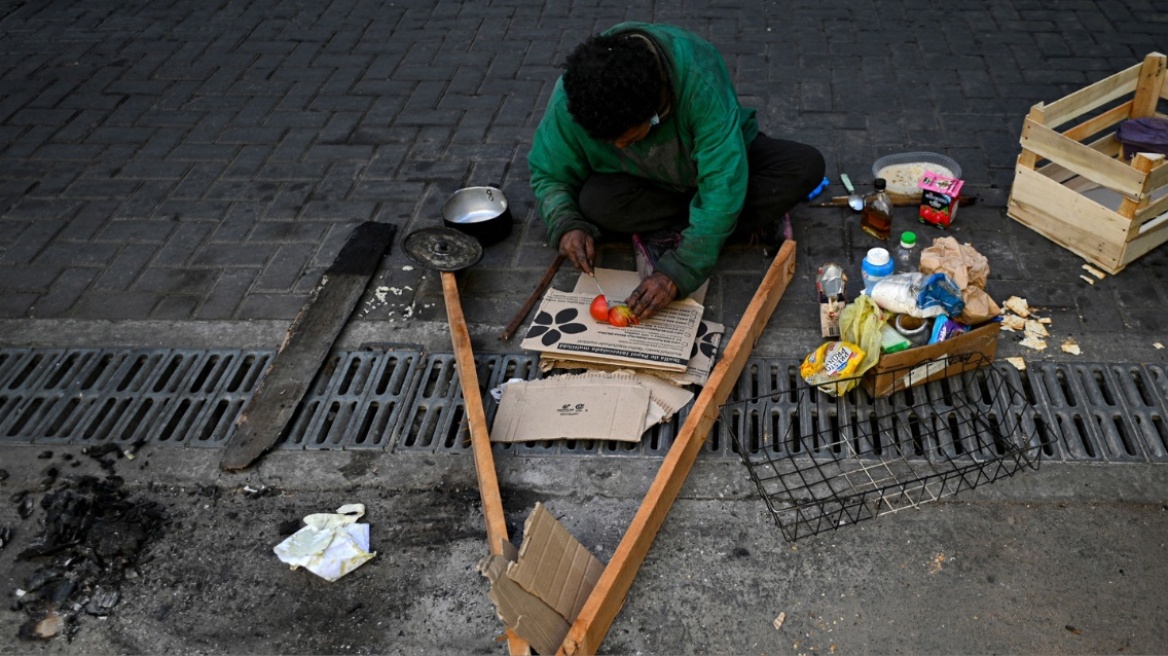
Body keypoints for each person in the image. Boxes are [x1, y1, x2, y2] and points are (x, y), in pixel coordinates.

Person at [528, 22, 825, 320]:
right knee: (593, 203)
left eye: (631, 139)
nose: (620, 147)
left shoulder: (698, 77)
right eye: (610, 143)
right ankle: (714, 225)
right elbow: (548, 172)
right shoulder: (573, 97)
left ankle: (697, 227)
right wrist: (565, 223)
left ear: (655, 108)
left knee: (803, 166)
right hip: (646, 185)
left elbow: (722, 183)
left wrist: (677, 272)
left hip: (718, 167)